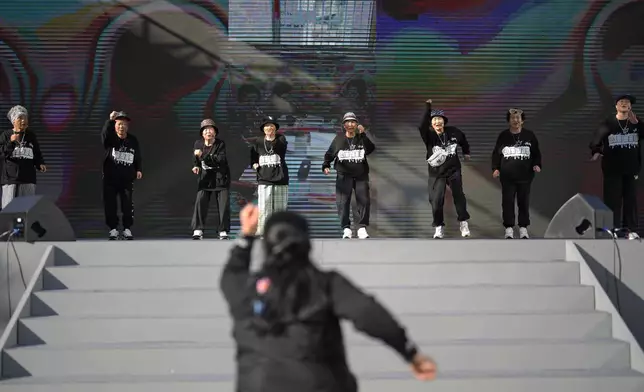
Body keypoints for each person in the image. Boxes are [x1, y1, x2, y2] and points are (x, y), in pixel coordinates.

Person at [220, 203, 437, 392]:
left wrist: (246, 235)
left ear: (266, 245)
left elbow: (231, 274)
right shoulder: (326, 284)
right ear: (306, 245)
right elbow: (369, 314)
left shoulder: (245, 289)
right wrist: (410, 353)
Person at [590, 94, 643, 240]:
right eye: (621, 102)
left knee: (630, 200)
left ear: (630, 106)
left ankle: (630, 230)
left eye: (627, 102)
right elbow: (595, 141)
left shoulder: (636, 123)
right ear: (616, 106)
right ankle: (613, 229)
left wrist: (637, 123)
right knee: (612, 200)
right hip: (612, 169)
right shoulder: (608, 123)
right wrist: (597, 152)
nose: (624, 104)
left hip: (631, 169)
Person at [418, 99, 471, 239]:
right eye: (434, 120)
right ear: (431, 123)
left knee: (459, 196)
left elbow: (463, 140)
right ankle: (438, 226)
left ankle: (463, 223)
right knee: (436, 200)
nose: (437, 122)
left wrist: (466, 152)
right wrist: (428, 108)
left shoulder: (453, 132)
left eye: (439, 119)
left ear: (444, 121)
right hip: (436, 173)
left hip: (453, 170)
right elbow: (421, 126)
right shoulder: (429, 135)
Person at [322, 112, 375, 239]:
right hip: (343, 175)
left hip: (360, 175)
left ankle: (362, 227)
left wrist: (363, 135)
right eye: (348, 122)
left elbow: (370, 149)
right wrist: (326, 165)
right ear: (344, 125)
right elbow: (329, 154)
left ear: (357, 124)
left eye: (353, 122)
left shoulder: (361, 137)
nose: (350, 124)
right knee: (342, 202)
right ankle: (346, 228)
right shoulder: (339, 139)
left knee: (364, 201)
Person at [491, 108, 542, 239]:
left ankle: (523, 228)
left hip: (525, 176)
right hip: (507, 176)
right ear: (509, 120)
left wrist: (537, 165)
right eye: (513, 118)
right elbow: (496, 154)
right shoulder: (503, 136)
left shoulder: (529, 135)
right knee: (507, 202)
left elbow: (536, 153)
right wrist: (495, 168)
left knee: (523, 201)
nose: (515, 120)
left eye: (518, 118)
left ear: (522, 120)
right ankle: (509, 228)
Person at [101, 110, 142, 240]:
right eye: (119, 124)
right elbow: (104, 135)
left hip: (126, 179)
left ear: (127, 126)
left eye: (124, 124)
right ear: (115, 125)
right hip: (110, 179)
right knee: (111, 204)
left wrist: (138, 169)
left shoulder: (132, 140)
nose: (121, 126)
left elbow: (137, 156)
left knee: (127, 205)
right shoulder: (111, 139)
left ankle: (127, 229)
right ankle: (113, 229)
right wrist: (109, 121)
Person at [0, 105, 47, 209]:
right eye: (20, 118)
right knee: (9, 209)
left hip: (28, 178)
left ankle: (25, 225)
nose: (23, 120)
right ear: (13, 120)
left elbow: (36, 152)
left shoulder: (31, 135)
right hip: (10, 179)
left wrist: (40, 163)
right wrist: (11, 142)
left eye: (25, 118)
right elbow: (2, 154)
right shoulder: (6, 135)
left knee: (26, 210)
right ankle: (8, 226)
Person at [191, 118, 231, 240]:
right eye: (205, 130)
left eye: (210, 129)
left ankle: (223, 230)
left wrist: (203, 155)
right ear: (202, 133)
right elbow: (196, 159)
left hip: (220, 177)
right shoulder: (198, 144)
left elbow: (220, 160)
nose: (208, 132)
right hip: (205, 179)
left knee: (223, 205)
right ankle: (198, 229)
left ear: (215, 132)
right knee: (200, 202)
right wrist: (196, 166)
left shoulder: (220, 144)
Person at [250, 115, 289, 236]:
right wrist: (254, 165)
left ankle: (279, 231)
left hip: (280, 178)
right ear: (263, 128)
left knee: (279, 209)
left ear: (275, 128)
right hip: (264, 178)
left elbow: (281, 149)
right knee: (264, 207)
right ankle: (262, 231)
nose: (269, 128)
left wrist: (271, 138)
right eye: (267, 126)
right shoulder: (258, 141)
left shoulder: (281, 139)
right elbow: (253, 157)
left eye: (272, 126)